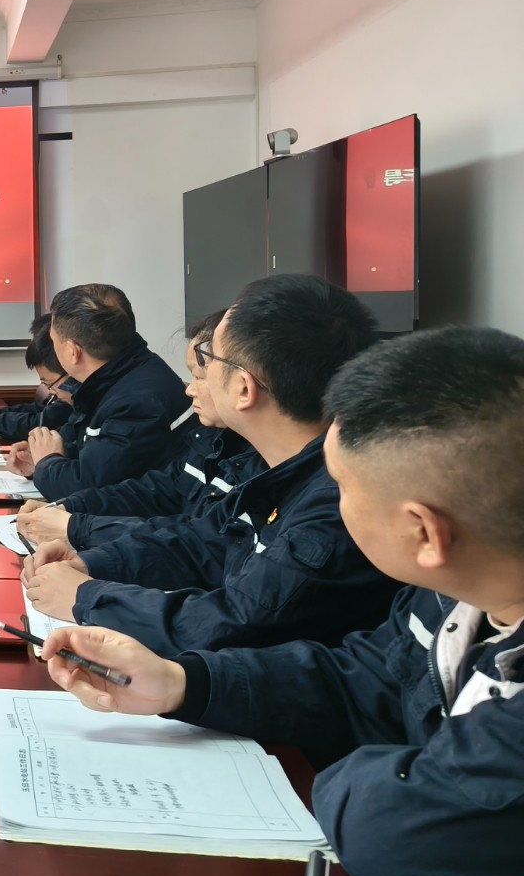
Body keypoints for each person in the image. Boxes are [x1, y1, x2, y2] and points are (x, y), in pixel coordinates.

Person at [43, 326, 524, 876]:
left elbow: (389, 832)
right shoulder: (455, 591)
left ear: (423, 534)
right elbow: (363, 677)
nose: (331, 502)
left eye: (343, 488)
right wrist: (185, 683)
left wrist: (358, 771)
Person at [24, 274, 397, 654]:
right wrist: (91, 563)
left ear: (243, 388)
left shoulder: (335, 505)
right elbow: (203, 543)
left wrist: (87, 596)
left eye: (207, 363)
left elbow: (236, 621)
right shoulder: (272, 467)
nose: (189, 386)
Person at [17, 308, 261, 550]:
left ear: (243, 387)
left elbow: (200, 545)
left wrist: (76, 527)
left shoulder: (140, 397)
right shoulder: (213, 437)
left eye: (200, 377)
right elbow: (156, 492)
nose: (189, 389)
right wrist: (67, 507)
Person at [5, 284, 191, 500]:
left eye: (54, 341)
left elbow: (85, 487)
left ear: (72, 351)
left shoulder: (136, 401)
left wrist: (48, 463)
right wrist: (41, 457)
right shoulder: (115, 376)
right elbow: (98, 455)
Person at [0, 312, 75, 440]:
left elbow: (39, 422)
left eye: (48, 383)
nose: (51, 390)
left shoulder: (72, 395)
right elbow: (41, 409)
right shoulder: (63, 389)